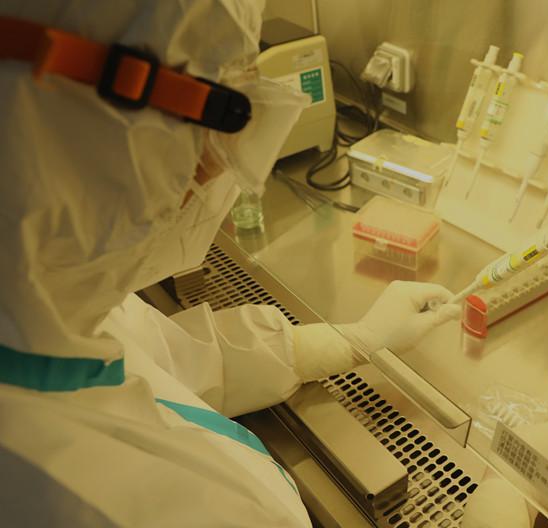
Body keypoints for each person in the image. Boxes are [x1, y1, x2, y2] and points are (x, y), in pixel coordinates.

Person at [0, 1, 460, 525]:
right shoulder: (97, 503)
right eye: (232, 111)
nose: (216, 166)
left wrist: (344, 342)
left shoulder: (42, 306)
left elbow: (159, 363)